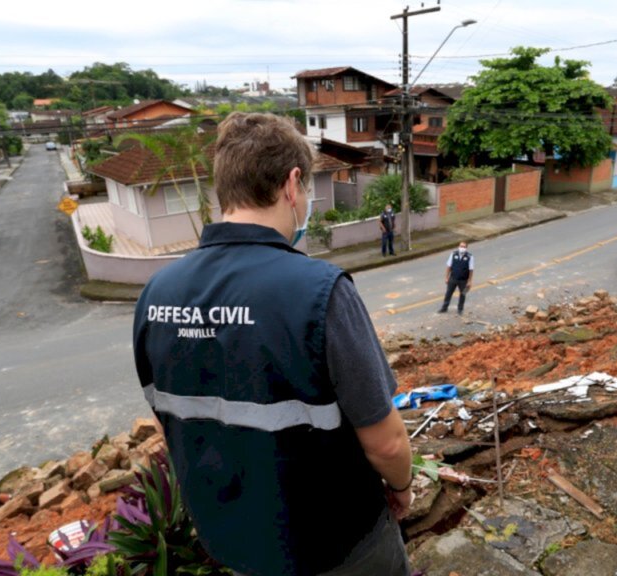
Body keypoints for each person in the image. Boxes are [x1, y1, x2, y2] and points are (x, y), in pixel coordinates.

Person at [133, 113, 413, 576]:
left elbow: (176, 421)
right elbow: (385, 443)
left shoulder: (156, 294)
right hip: (335, 545)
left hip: (235, 543)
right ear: (292, 184)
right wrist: (402, 488)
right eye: (305, 192)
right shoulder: (320, 291)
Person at [437, 241, 474, 315]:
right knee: (448, 293)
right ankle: (444, 307)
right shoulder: (453, 254)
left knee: (463, 294)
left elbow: (471, 270)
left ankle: (460, 309)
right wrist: (446, 277)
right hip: (453, 278)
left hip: (464, 280)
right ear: (458, 246)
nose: (462, 248)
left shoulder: (470, 256)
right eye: (461, 246)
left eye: (463, 247)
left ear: (466, 248)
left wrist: (469, 281)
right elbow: (448, 266)